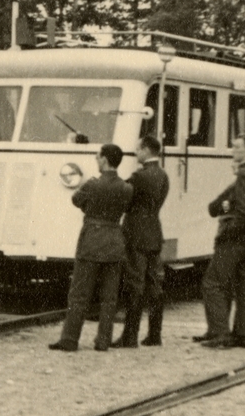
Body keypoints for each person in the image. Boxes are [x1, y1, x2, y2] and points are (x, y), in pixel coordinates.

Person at [49, 144, 133, 352]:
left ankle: (69, 339)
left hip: (91, 240)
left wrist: (91, 210)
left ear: (104, 160)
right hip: (114, 241)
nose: (96, 161)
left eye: (98, 157)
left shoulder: (92, 184)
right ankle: (103, 341)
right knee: (109, 297)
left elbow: (76, 200)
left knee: (79, 293)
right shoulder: (126, 188)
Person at [195, 133, 245, 349]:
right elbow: (227, 206)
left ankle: (219, 333)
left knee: (213, 282)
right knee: (243, 283)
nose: (233, 150)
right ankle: (243, 334)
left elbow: (244, 210)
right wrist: (227, 205)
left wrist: (229, 230)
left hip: (236, 236)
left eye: (237, 147)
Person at [113, 136, 170, 347]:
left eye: (138, 149)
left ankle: (130, 336)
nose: (136, 153)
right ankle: (155, 334)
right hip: (154, 232)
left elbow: (122, 196)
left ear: (146, 150)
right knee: (155, 284)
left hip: (135, 234)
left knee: (134, 284)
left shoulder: (139, 176)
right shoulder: (163, 175)